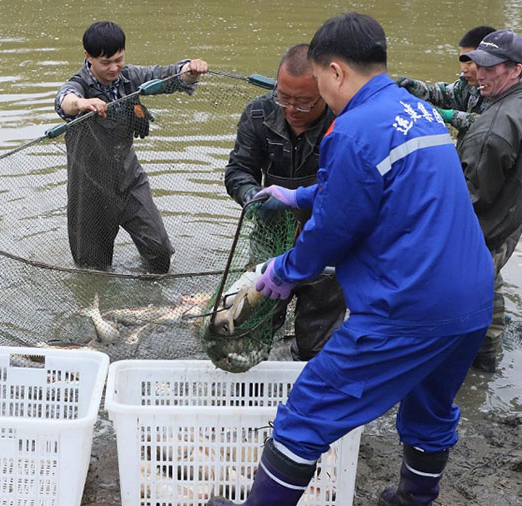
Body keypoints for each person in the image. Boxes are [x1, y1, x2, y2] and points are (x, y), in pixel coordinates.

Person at [207, 13, 493, 506]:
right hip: (471, 300)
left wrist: (284, 272)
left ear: (335, 72)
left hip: (408, 308)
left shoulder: (352, 128)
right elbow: (370, 186)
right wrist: (298, 197)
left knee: (305, 415)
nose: (318, 94)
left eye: (318, 81)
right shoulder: (417, 111)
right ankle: (413, 498)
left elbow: (335, 230)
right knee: (430, 408)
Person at [224, 43, 345, 360]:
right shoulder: (258, 113)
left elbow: (349, 194)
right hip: (270, 237)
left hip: (326, 240)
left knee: (317, 343)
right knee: (252, 328)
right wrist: (250, 195)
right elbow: (237, 170)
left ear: (324, 90)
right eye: (284, 98)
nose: (291, 109)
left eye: (304, 103)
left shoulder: (345, 122)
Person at [55, 21, 208, 273]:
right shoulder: (79, 85)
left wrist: (190, 70)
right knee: (93, 269)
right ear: (88, 57)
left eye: (119, 59)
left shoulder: (130, 77)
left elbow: (167, 76)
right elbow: (64, 101)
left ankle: (151, 300)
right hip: (90, 190)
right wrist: (83, 104)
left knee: (159, 253)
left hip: (129, 180)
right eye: (106, 62)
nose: (114, 67)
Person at [457, 29, 522, 373]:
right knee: (489, 290)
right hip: (508, 227)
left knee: (456, 307)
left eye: (491, 68)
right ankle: (486, 367)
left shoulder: (492, 128)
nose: (480, 74)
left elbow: (467, 203)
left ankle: (471, 371)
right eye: (478, 64)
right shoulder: (512, 104)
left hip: (483, 233)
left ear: (516, 70)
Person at [396, 25, 496, 142]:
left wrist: (449, 116)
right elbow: (443, 95)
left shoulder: (512, 97)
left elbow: (493, 125)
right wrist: (415, 87)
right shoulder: (470, 84)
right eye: (462, 62)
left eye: (469, 62)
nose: (463, 69)